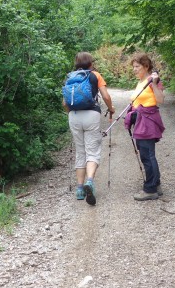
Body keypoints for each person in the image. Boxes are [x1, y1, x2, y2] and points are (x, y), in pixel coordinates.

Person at [63, 52, 114, 205]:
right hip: (92, 114)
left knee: (80, 151)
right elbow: (105, 96)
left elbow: (65, 103)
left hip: (74, 115)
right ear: (91, 63)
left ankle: (79, 189)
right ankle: (90, 181)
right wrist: (111, 109)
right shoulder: (95, 75)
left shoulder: (70, 77)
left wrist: (72, 113)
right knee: (92, 150)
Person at [124, 53, 165, 201]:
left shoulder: (151, 81)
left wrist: (154, 83)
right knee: (147, 154)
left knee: (147, 155)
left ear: (146, 66)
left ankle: (150, 189)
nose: (134, 69)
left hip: (148, 122)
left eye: (137, 66)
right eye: (133, 67)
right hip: (141, 121)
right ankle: (156, 184)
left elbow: (160, 99)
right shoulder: (141, 81)